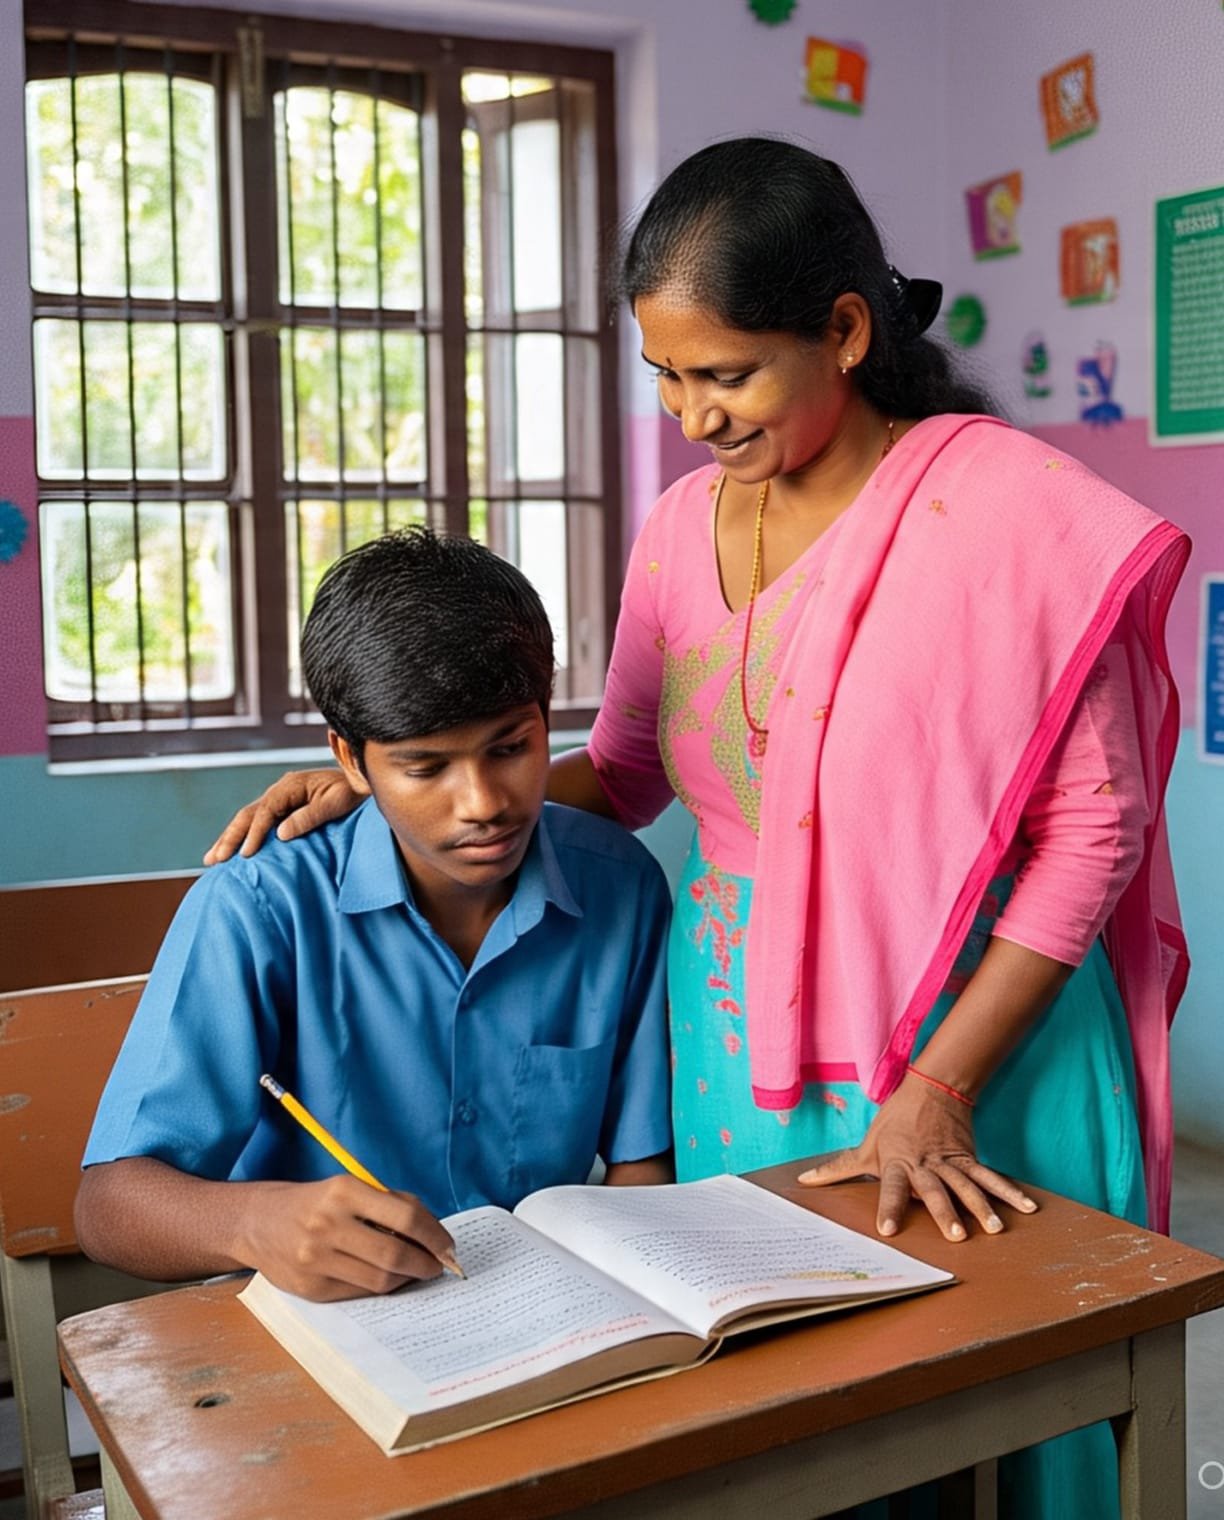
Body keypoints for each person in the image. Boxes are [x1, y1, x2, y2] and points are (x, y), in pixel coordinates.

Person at [206, 140, 1189, 1515]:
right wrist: (397, 789)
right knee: (803, 1425)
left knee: (1018, 1426)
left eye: (724, 374)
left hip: (980, 1042)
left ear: (844, 331)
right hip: (743, 1047)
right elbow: (622, 771)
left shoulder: (1004, 515)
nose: (691, 415)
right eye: (666, 376)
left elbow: (1093, 834)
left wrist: (940, 1088)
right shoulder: (677, 530)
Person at [78, 527, 672, 1303]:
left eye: (511, 748)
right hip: (335, 1335)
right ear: (351, 760)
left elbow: (640, 1167)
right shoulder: (259, 909)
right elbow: (106, 1206)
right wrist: (254, 1223)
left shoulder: (620, 885)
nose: (484, 804)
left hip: (552, 1313)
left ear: (545, 716)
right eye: (424, 767)